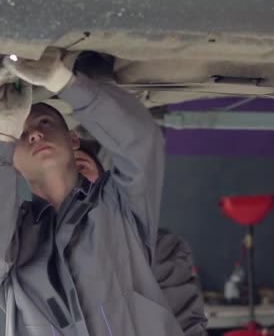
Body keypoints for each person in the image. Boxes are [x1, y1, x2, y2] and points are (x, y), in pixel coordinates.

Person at [0, 48, 182, 336]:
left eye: (45, 123)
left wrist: (62, 80)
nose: (35, 134)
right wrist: (4, 133)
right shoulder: (13, 244)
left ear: (73, 138)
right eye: (23, 135)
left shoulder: (119, 209)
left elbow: (140, 143)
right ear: (12, 161)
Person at [73, 142, 208, 336]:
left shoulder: (159, 249)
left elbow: (186, 327)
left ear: (106, 183)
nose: (69, 182)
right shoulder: (34, 265)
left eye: (80, 168)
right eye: (50, 174)